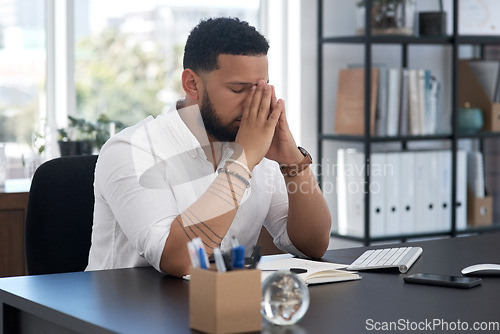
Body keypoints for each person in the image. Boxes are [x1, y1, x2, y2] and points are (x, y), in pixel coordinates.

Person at [86, 17, 331, 278]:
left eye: (261, 89)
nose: (254, 104)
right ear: (192, 84)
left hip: (224, 304)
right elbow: (179, 260)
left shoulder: (254, 142)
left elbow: (312, 245)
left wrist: (292, 161)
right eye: (238, 89)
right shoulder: (131, 150)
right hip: (128, 311)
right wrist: (243, 160)